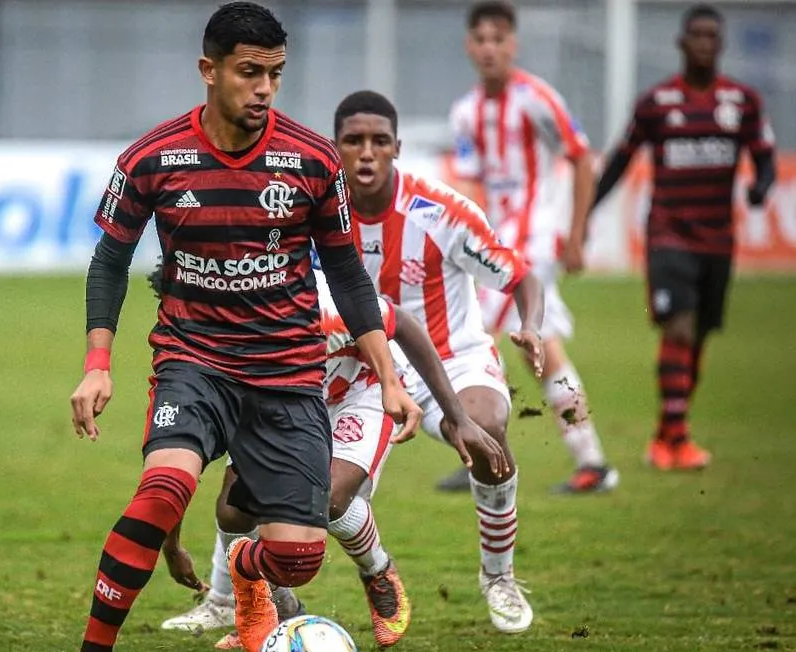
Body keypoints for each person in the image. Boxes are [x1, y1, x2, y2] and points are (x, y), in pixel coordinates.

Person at [69, 3, 422, 651]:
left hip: (286, 375)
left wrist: (389, 379)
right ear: (210, 70)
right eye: (249, 72)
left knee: (298, 559)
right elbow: (109, 262)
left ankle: (247, 568)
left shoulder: (314, 160)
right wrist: (98, 364)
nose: (263, 88)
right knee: (165, 489)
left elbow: (347, 277)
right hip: (193, 362)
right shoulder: (152, 158)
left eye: (276, 75)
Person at [154, 258, 509, 649]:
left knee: (329, 498)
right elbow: (177, 455)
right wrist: (170, 544)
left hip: (360, 388)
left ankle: (378, 572)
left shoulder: (319, 308)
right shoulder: (198, 351)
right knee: (233, 509)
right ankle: (275, 610)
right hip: (280, 401)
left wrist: (456, 417)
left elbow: (402, 323)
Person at [338, 90, 544, 633]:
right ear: (334, 149)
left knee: (490, 432)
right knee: (286, 472)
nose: (366, 153)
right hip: (356, 370)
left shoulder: (440, 212)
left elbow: (519, 275)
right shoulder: (315, 214)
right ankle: (228, 595)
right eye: (353, 141)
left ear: (397, 148)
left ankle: (498, 578)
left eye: (378, 141)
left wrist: (530, 326)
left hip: (451, 360)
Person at [439, 0, 617, 495]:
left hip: (535, 241)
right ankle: (485, 449)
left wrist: (578, 233)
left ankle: (590, 460)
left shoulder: (537, 98)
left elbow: (582, 159)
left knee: (516, 341)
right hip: (497, 244)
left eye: (499, 39)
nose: (490, 48)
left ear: (512, 44)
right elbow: (471, 188)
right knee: (500, 343)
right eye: (481, 39)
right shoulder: (465, 112)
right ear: (469, 46)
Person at [590, 3, 776, 470]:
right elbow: (620, 159)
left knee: (698, 339)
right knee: (679, 328)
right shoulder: (656, 104)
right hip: (669, 234)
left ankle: (665, 435)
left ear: (721, 44)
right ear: (682, 42)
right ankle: (678, 436)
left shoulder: (743, 102)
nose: (704, 43)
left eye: (712, 36)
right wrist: (585, 212)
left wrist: (761, 187)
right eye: (696, 35)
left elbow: (767, 157)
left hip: (718, 239)